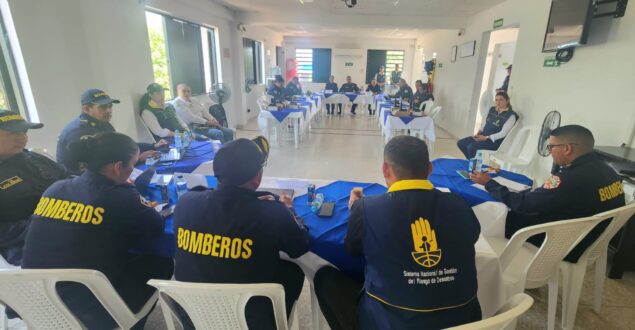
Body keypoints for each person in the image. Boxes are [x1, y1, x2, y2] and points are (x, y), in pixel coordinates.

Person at [314, 135, 481, 330]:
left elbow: (353, 249)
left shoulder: (368, 209)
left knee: (325, 278)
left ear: (385, 169)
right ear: (429, 168)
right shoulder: (460, 205)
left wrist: (357, 210)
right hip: (464, 321)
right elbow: (472, 236)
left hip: (390, 323)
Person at [22, 132, 174, 329]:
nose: (133, 169)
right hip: (89, 305)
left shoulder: (56, 188)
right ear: (118, 167)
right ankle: (130, 322)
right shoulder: (119, 196)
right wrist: (130, 192)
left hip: (35, 299)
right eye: (133, 164)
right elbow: (155, 225)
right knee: (161, 261)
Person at [173, 136, 309, 330]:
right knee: (293, 270)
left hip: (194, 316)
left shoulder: (186, 202)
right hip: (250, 321)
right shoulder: (271, 211)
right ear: (256, 177)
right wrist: (289, 210)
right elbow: (300, 246)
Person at [471, 125, 625, 263]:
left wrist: (489, 183)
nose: (550, 152)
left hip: (559, 244)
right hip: (588, 240)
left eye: (551, 147)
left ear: (567, 148)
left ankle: (484, 262)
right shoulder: (610, 171)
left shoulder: (567, 179)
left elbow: (523, 204)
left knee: (493, 213)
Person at [0, 110, 66, 266]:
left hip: (66, 226)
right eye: (13, 133)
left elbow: (68, 180)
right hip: (24, 246)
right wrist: (41, 223)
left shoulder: (34, 158)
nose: (22, 138)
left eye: (24, 131)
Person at [57, 88, 166, 173]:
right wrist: (136, 159)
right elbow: (93, 168)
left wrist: (153, 146)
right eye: (103, 107)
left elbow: (120, 145)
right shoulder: (78, 132)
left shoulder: (102, 123)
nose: (109, 111)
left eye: (110, 106)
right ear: (86, 109)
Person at [456, 92, 517, 159]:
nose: (498, 102)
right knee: (461, 143)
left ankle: (473, 165)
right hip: (482, 136)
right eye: (496, 100)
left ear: (507, 101)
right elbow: (484, 123)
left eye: (501, 100)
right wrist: (479, 131)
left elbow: (503, 133)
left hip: (494, 142)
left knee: (471, 147)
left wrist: (487, 138)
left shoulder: (511, 116)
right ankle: (471, 162)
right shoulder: (492, 110)